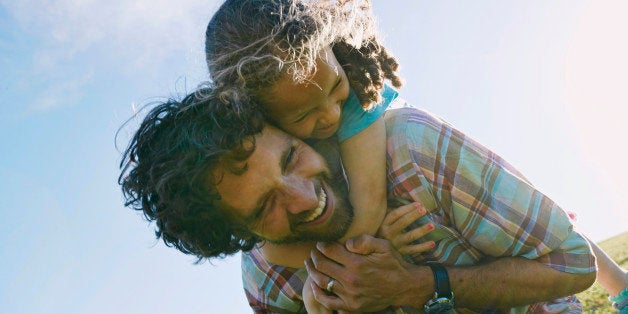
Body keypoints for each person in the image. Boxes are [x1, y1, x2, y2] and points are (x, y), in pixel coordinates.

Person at [202, 0, 627, 312]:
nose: (330, 116)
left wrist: (379, 245)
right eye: (303, 116)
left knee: (525, 213)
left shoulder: (386, 127)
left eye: (334, 92)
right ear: (253, 117)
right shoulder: (262, 266)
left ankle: (621, 284)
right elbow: (274, 253)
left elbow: (369, 203)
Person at [119, 88, 597, 313]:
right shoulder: (266, 281)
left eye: (290, 157)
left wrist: (419, 286)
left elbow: (575, 266)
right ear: (240, 235)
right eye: (266, 206)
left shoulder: (413, 149)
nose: (306, 198)